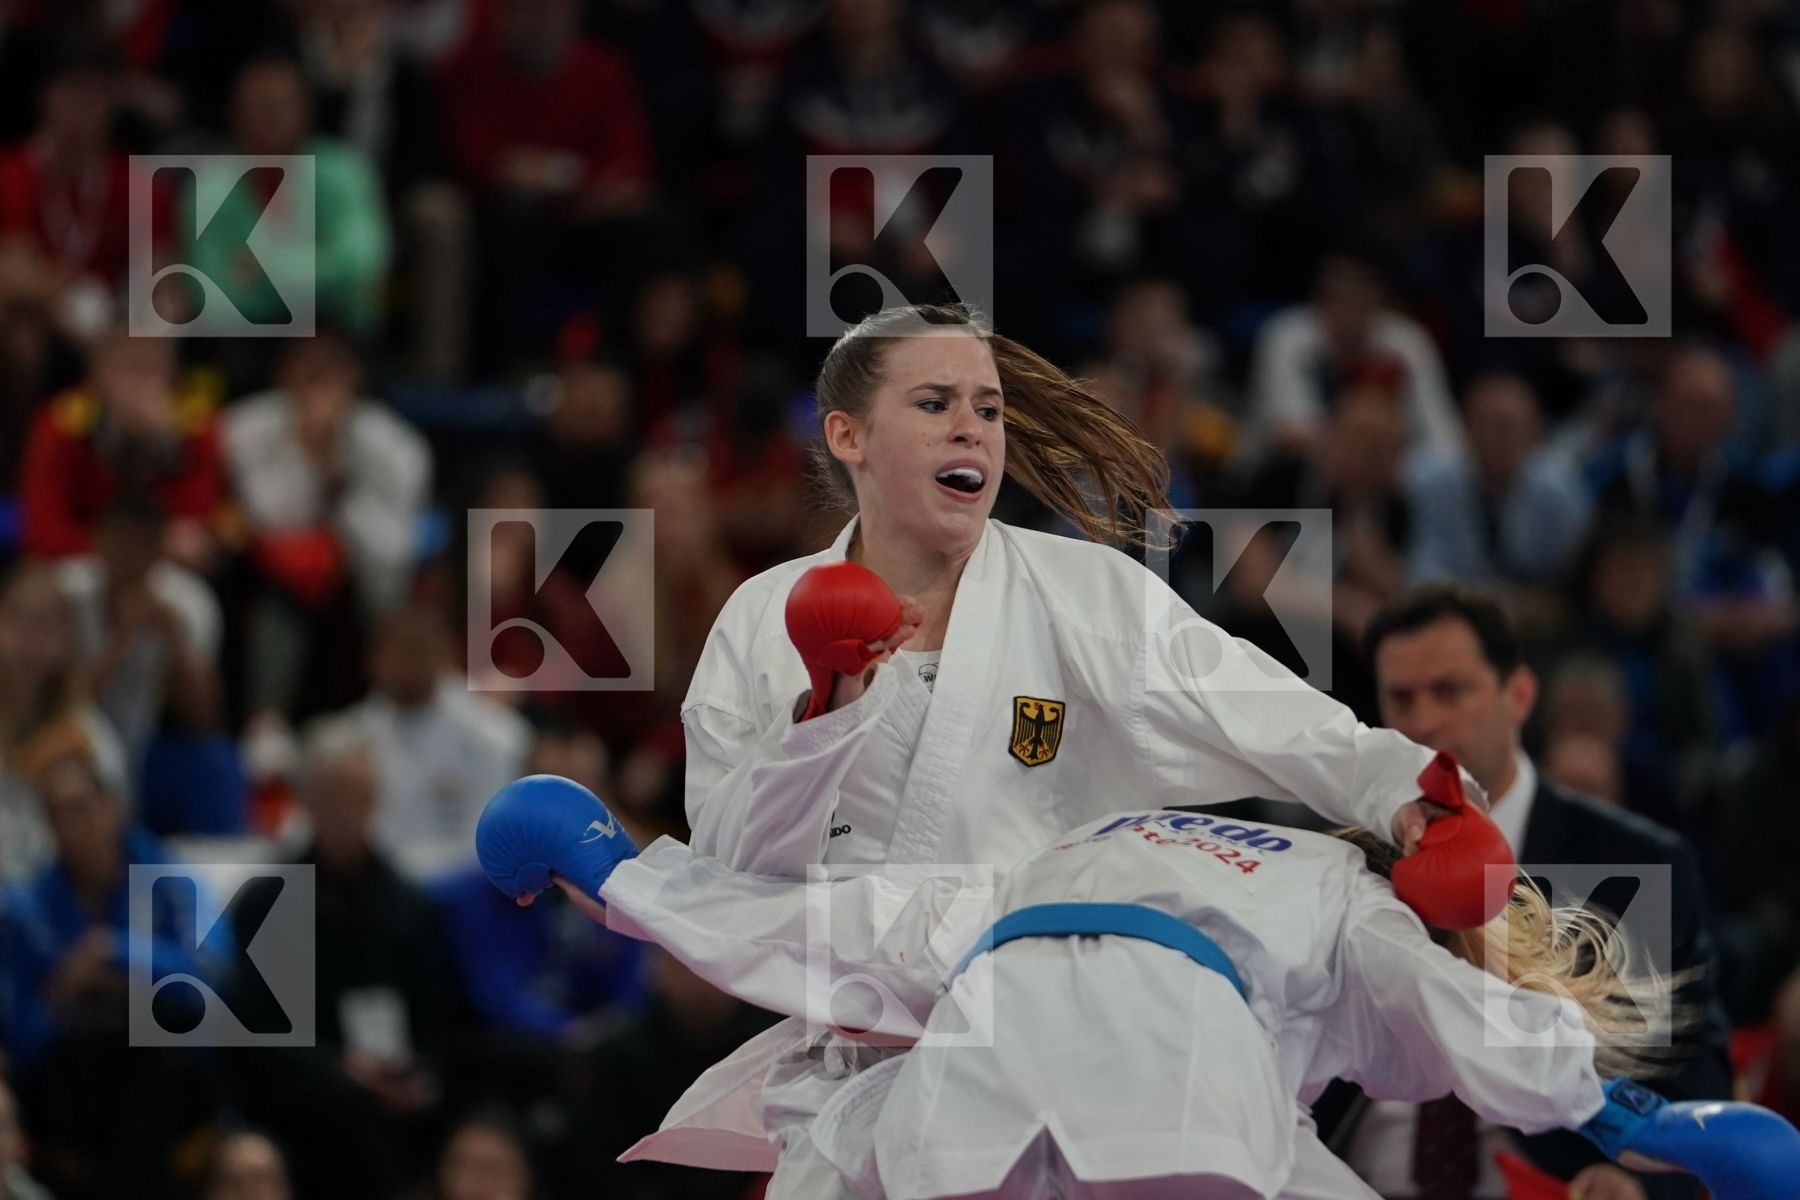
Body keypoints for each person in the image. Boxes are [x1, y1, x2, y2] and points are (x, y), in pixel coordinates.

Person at [663, 302, 1504, 1195]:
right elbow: (730, 872)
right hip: (866, 1074)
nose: (972, 430)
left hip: (1080, 1040)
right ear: (849, 436)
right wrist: (825, 713)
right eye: (935, 403)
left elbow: (1264, 710)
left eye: (988, 409)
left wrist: (1407, 790)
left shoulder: (1082, 593)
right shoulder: (763, 619)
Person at [477, 775, 1800, 1200]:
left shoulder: (1079, 847)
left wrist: (617, 868)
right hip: (1182, 1093)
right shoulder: (1350, 896)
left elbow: (850, 931)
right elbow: (1475, 1023)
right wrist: (1637, 1126)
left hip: (978, 1077)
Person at [1315, 583, 1734, 1200]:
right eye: (1400, 699)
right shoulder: (1339, 861)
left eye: (1450, 691)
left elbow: (1688, 1071)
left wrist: (1633, 1179)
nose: (1424, 721)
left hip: (1551, 1183)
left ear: (1519, 695)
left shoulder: (1624, 864)